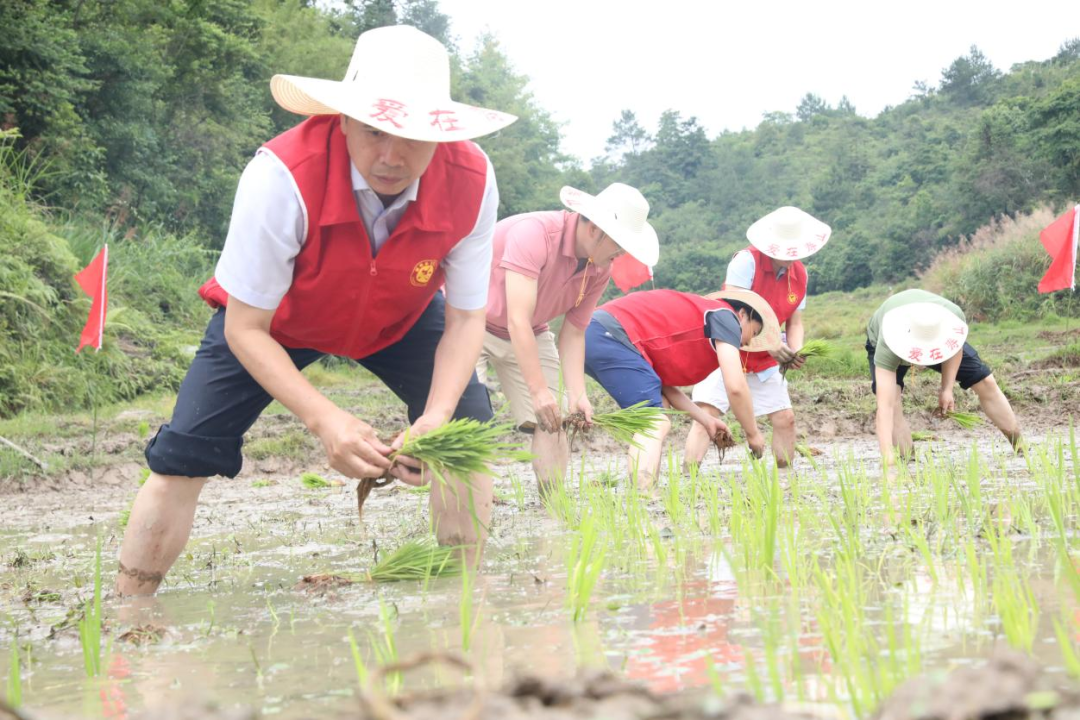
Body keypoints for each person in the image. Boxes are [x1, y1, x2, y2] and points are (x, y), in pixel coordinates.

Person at [116, 26, 518, 595]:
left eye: (414, 138)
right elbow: (245, 326)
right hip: (279, 321)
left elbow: (466, 318)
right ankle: (129, 612)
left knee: (465, 433)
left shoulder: (473, 181)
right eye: (375, 131)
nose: (391, 157)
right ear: (345, 118)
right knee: (184, 451)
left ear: (441, 136)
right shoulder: (280, 175)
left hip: (398, 315)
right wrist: (325, 419)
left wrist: (436, 415)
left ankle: (461, 599)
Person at [478, 184, 659, 492]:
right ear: (593, 228)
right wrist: (537, 392)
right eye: (619, 242)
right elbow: (516, 318)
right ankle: (471, 501)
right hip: (470, 322)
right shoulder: (534, 234)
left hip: (531, 329)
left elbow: (574, 331)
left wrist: (578, 394)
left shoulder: (600, 268)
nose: (621, 253)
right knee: (468, 414)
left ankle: (553, 507)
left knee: (555, 418)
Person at [584, 288, 780, 490]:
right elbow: (736, 387)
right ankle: (642, 496)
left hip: (597, 333)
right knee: (653, 421)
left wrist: (707, 420)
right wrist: (753, 433)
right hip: (611, 333)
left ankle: (649, 487)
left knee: (661, 407)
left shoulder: (705, 322)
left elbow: (663, 387)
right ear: (742, 315)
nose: (747, 342)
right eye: (753, 332)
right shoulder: (726, 316)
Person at [684, 207, 830, 470]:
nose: (788, 256)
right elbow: (733, 313)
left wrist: (795, 350)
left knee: (786, 418)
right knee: (707, 415)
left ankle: (785, 478)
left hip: (764, 360)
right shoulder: (746, 261)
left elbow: (795, 321)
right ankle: (687, 477)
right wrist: (771, 343)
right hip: (724, 351)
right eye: (783, 249)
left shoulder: (801, 275)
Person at [866, 288, 1023, 473]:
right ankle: (906, 461)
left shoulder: (953, 317)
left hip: (936, 334)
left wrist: (947, 388)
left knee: (985, 382)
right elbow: (884, 407)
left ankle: (1021, 448)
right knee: (893, 400)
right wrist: (887, 460)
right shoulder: (889, 340)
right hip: (889, 340)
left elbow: (955, 347)